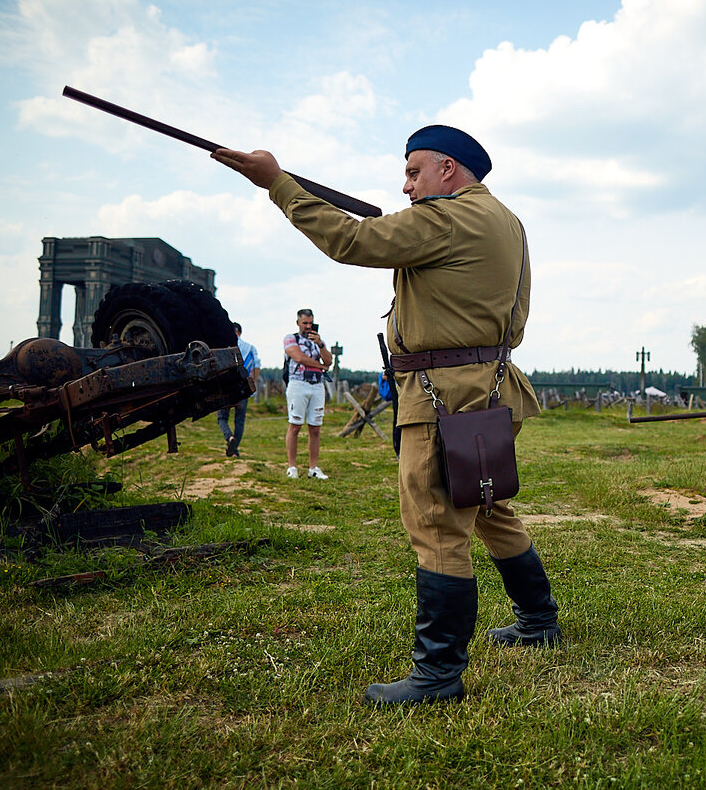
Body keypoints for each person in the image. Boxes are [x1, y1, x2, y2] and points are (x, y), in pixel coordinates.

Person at [212, 124, 561, 707]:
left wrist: (277, 184)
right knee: (486, 506)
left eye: (413, 171)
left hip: (442, 393)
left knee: (436, 521)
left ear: (448, 169)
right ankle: (538, 620)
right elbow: (517, 313)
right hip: (492, 384)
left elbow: (352, 241)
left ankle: (438, 674)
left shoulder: (444, 218)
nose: (405, 187)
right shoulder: (507, 222)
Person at [283, 309, 331, 480]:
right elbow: (299, 357)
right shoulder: (290, 338)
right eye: (305, 323)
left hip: (317, 385)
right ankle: (292, 466)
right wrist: (321, 367)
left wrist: (321, 345)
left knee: (315, 428)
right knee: (295, 425)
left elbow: (329, 360)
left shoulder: (319, 341)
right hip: (298, 384)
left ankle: (313, 467)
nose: (308, 326)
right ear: (298, 323)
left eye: (310, 323)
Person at [217, 322, 259, 457]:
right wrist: (252, 382)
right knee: (239, 420)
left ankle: (229, 438)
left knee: (222, 418)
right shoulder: (250, 348)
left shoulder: (222, 347)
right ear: (240, 332)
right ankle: (234, 450)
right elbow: (256, 366)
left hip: (225, 388)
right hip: (243, 387)